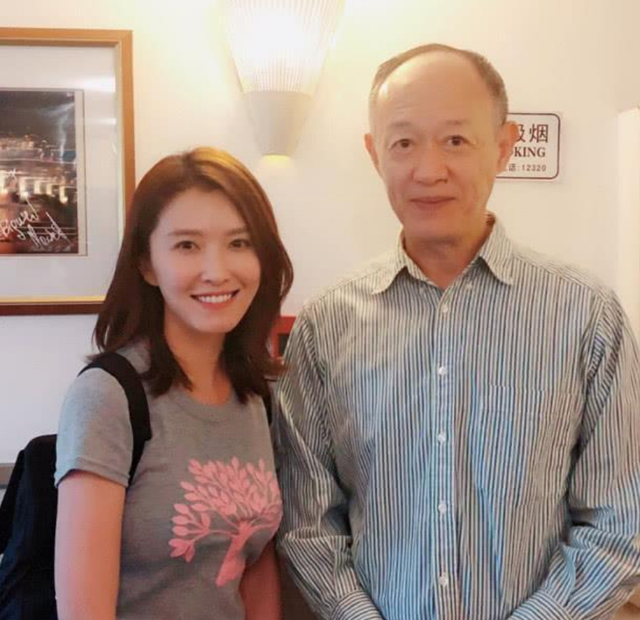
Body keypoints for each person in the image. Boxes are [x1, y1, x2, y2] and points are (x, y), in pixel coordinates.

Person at [274, 43, 640, 620]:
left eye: (455, 140)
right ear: (374, 155)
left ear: (503, 146)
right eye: (403, 143)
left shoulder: (586, 315)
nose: (428, 170)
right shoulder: (327, 324)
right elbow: (309, 524)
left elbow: (619, 523)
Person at [54, 146, 293, 619]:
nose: (217, 271)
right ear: (147, 263)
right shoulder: (108, 396)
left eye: (239, 243)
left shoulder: (256, 397)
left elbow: (254, 561)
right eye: (187, 246)